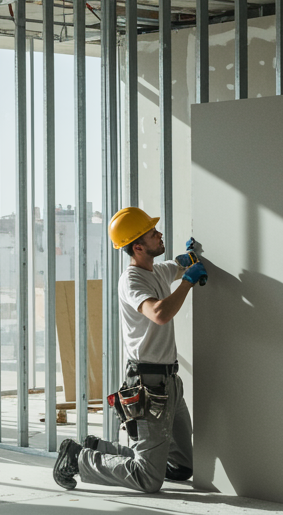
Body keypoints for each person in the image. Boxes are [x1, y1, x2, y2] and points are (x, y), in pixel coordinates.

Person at [53, 206, 206, 493]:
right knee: (148, 479)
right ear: (138, 247)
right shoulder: (132, 280)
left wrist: (189, 260)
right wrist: (187, 282)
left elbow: (178, 263)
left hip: (171, 382)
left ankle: (96, 447)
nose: (159, 234)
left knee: (182, 466)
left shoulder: (158, 271)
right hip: (148, 385)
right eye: (152, 233)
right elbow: (159, 314)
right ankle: (78, 458)